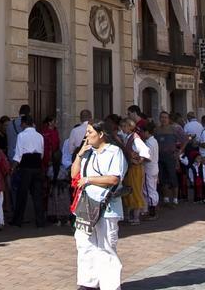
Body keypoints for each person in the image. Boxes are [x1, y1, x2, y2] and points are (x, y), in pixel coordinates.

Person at [71, 119, 126, 290]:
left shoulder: (114, 152)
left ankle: (110, 285)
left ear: (101, 134)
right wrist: (80, 153)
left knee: (106, 245)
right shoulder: (87, 152)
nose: (86, 136)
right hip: (86, 204)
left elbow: (114, 178)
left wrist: (88, 180)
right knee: (84, 243)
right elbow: (74, 174)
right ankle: (88, 282)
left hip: (106, 206)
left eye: (90, 132)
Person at [11, 114, 46, 227]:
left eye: (21, 123)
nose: (21, 126)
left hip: (25, 166)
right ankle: (40, 221)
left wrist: (13, 167)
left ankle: (18, 220)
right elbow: (42, 154)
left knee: (22, 195)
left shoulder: (21, 136)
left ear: (25, 123)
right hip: (37, 166)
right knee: (37, 195)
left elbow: (18, 154)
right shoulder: (40, 136)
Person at [155, 111, 181, 207]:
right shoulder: (156, 130)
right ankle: (166, 199)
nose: (163, 119)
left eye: (165, 117)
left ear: (169, 119)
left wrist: (179, 152)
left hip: (171, 157)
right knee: (163, 178)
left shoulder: (174, 129)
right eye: (161, 117)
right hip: (160, 157)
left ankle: (175, 199)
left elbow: (185, 140)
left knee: (173, 178)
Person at [141, 120, 160, 220]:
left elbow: (148, 157)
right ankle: (151, 209)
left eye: (143, 132)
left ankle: (153, 211)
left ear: (147, 132)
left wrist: (140, 157)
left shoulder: (149, 143)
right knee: (153, 189)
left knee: (149, 190)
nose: (143, 134)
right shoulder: (154, 141)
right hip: (154, 168)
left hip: (149, 168)